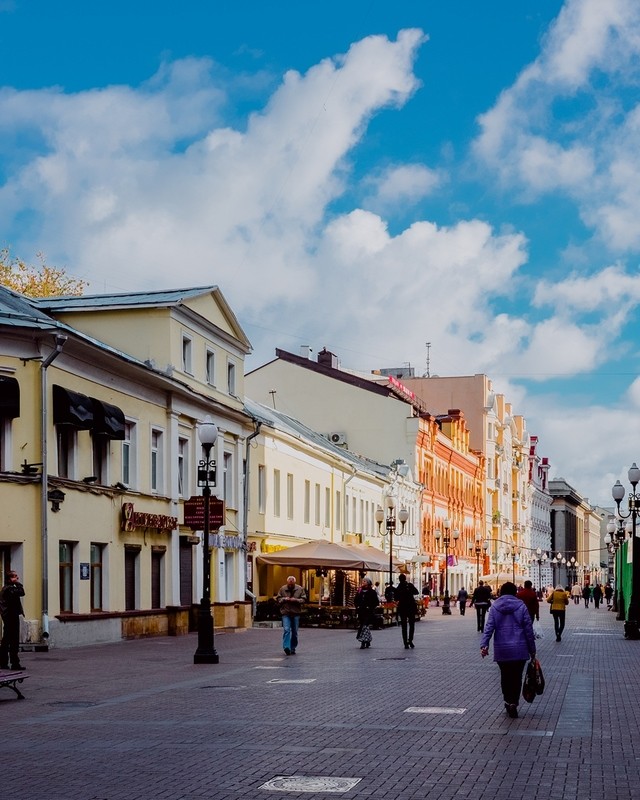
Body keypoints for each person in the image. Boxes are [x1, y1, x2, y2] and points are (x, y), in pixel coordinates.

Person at [480, 581, 536, 719]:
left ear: (501, 592)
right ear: (514, 592)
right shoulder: (521, 606)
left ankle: (507, 700)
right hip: (520, 649)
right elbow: (528, 630)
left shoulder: (495, 607)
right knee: (517, 677)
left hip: (502, 649)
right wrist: (532, 649)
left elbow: (489, 627)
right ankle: (514, 703)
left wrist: (484, 645)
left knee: (505, 676)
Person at [0, 570, 25, 670]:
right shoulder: (9, 589)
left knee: (6, 640)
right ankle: (14, 663)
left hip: (9, 616)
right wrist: (18, 583)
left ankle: (4, 662)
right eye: (14, 576)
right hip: (11, 617)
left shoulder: (7, 588)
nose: (17, 578)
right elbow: (22, 592)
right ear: (9, 579)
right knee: (13, 640)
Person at [276, 575, 306, 655]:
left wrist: (296, 600)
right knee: (286, 630)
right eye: (289, 584)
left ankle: (293, 647)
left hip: (296, 613)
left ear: (294, 583)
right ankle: (286, 647)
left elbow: (304, 599)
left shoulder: (300, 589)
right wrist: (284, 599)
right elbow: (278, 599)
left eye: (292, 584)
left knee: (295, 632)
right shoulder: (282, 589)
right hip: (286, 612)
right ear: (287, 583)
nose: (290, 585)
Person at [394, 573, 419, 648]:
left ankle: (405, 642)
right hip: (411, 607)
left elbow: (396, 598)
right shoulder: (410, 585)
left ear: (399, 579)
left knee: (404, 626)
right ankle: (410, 640)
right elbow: (416, 592)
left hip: (402, 608)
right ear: (405, 579)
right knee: (412, 625)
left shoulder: (398, 588)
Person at [354, 577, 379, 649]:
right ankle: (367, 640)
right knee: (364, 626)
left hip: (368, 612)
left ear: (368, 583)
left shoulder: (372, 592)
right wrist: (357, 606)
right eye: (363, 581)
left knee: (364, 626)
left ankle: (363, 642)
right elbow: (356, 600)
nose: (363, 582)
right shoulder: (360, 591)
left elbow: (375, 602)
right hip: (361, 611)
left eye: (365, 581)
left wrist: (370, 607)